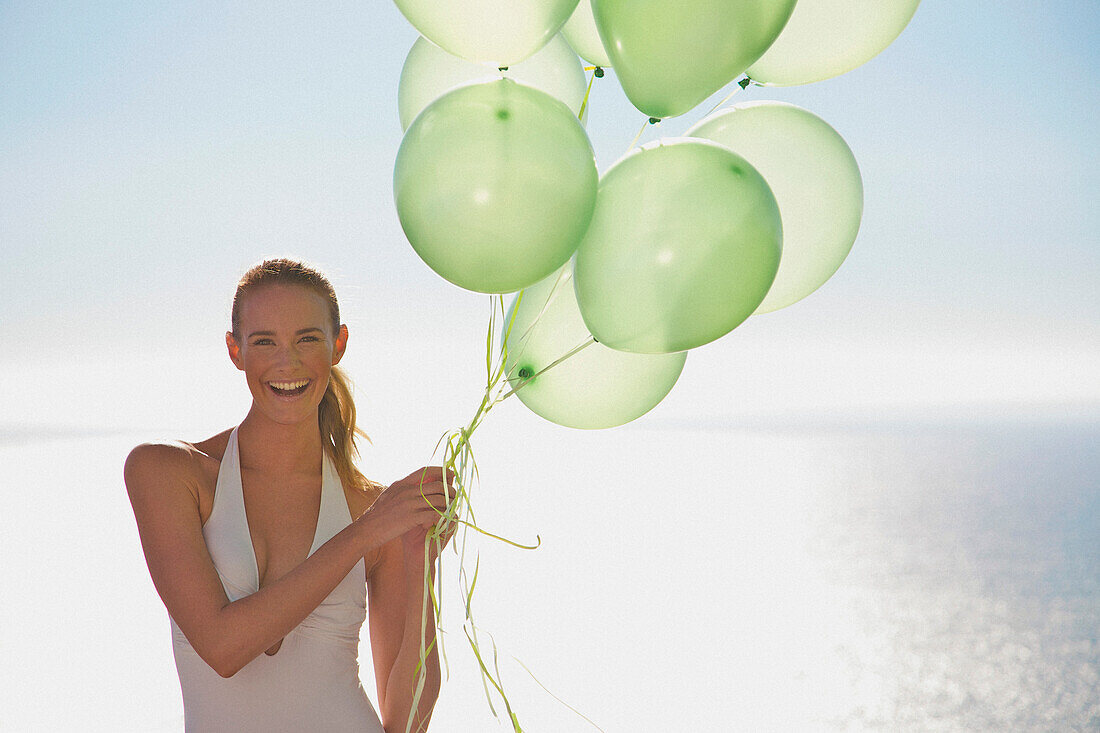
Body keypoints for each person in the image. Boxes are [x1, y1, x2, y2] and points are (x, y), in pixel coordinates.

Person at [125, 258, 454, 732]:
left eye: (308, 338)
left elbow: (406, 721)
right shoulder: (169, 473)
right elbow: (222, 648)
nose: (288, 362)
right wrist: (365, 535)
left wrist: (420, 556)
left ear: (337, 344)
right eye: (265, 342)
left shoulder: (372, 510)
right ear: (235, 351)